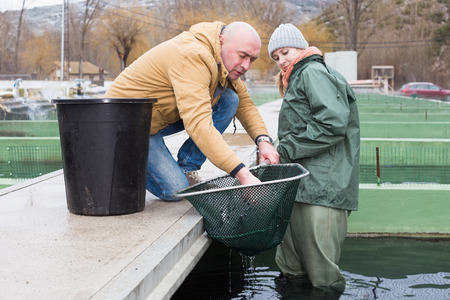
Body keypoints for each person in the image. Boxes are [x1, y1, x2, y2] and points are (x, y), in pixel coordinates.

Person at [105, 21, 279, 201]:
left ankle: (187, 168)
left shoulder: (221, 60)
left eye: (252, 59)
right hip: (126, 127)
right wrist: (244, 175)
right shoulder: (193, 56)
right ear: (221, 41)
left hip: (153, 119)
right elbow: (199, 125)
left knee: (229, 99)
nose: (246, 66)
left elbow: (244, 103)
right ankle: (125, 163)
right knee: (176, 190)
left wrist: (263, 141)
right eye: (243, 56)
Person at [268, 23, 360, 292]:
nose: (281, 60)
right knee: (292, 268)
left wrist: (284, 150)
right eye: (276, 57)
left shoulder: (313, 73)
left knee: (324, 277)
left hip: (324, 188)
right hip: (301, 185)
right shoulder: (296, 77)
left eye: (285, 52)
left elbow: (332, 124)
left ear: (301, 46)